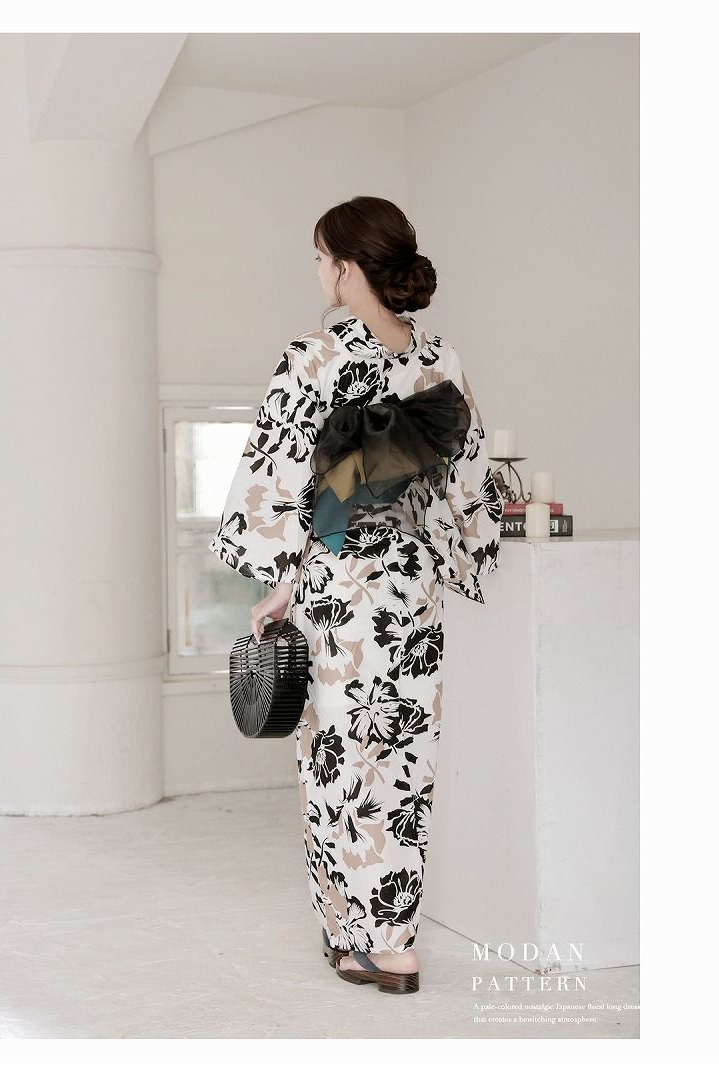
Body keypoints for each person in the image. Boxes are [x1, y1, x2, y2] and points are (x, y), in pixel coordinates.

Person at [208, 195, 503, 993]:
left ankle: (354, 937)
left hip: (339, 588)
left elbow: (279, 479)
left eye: (320, 258)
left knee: (339, 758)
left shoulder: (313, 356)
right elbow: (469, 481)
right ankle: (395, 941)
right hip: (411, 591)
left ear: (345, 268)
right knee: (404, 756)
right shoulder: (439, 360)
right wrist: (459, 554)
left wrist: (280, 581)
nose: (318, 272)